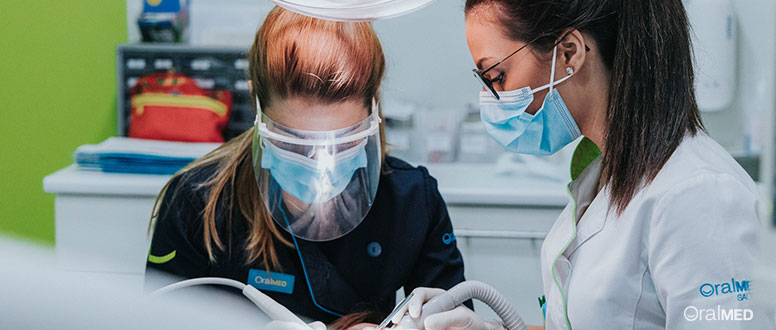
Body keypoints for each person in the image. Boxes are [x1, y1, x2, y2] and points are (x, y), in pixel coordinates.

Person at [397, 0, 766, 329]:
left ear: (569, 53)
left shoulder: (698, 195)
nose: (490, 99)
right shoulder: (603, 173)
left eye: (496, 77)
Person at [145, 6, 470, 328]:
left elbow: (452, 317)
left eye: (342, 144)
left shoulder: (412, 202)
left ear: (373, 106)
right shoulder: (198, 203)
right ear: (258, 106)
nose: (320, 168)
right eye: (293, 144)